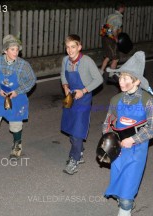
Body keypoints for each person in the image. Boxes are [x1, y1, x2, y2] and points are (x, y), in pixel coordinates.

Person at [102, 51, 153, 216]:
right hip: (118, 150)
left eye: (126, 79)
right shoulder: (115, 100)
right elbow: (107, 123)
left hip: (137, 150)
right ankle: (125, 202)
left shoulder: (147, 100)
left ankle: (126, 208)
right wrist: (108, 139)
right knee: (118, 185)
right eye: (120, 78)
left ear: (136, 81)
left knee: (127, 191)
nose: (121, 81)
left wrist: (134, 139)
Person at [61, 34, 103, 175]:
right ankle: (79, 150)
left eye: (73, 47)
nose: (70, 50)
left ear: (79, 47)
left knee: (78, 129)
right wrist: (65, 86)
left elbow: (98, 79)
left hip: (83, 98)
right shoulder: (65, 60)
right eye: (67, 47)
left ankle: (75, 158)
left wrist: (84, 91)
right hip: (70, 97)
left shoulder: (87, 61)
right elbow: (62, 75)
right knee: (70, 126)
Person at [100, 2, 125, 83]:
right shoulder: (118, 17)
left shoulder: (109, 15)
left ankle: (101, 72)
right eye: (123, 8)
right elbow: (114, 30)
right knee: (116, 58)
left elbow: (103, 26)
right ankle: (111, 75)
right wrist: (116, 38)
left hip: (104, 37)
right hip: (111, 39)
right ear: (121, 8)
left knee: (108, 56)